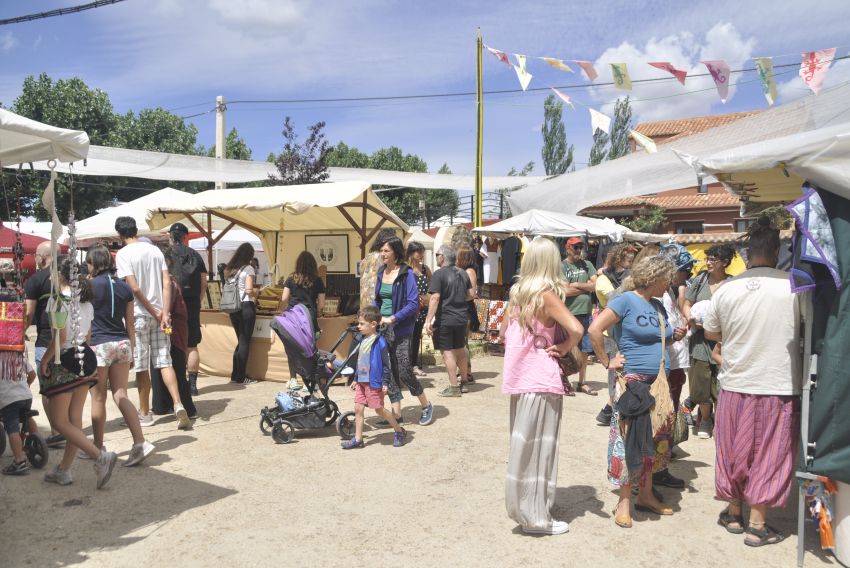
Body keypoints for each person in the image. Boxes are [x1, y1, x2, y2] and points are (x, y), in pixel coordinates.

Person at [703, 219, 801, 547]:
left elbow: (712, 333)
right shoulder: (795, 286)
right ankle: (757, 525)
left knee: (733, 449)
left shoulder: (726, 290)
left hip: (735, 381)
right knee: (770, 453)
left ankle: (733, 513)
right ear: (778, 250)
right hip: (777, 384)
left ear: (746, 252)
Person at [588, 256, 687, 528]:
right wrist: (607, 362)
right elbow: (595, 329)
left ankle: (645, 495)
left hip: (659, 384)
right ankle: (623, 503)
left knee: (655, 443)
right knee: (627, 442)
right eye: (665, 279)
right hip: (632, 384)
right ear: (653, 277)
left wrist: (676, 335)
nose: (668, 285)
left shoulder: (657, 306)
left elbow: (660, 340)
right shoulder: (625, 301)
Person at [500, 237, 584, 535]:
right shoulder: (547, 295)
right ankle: (536, 516)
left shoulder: (517, 292)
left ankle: (526, 508)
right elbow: (577, 328)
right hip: (542, 377)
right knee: (540, 448)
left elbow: (503, 334)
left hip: (520, 377)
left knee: (523, 446)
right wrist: (562, 346)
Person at [39, 258, 118, 488]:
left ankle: (99, 456)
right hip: (84, 359)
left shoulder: (57, 300)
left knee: (60, 422)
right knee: (73, 421)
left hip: (64, 361)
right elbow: (87, 336)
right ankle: (64, 470)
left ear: (61, 275)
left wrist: (45, 360)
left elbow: (60, 337)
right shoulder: (85, 302)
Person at [114, 216, 190, 429]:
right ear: (136, 230)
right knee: (164, 362)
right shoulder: (155, 250)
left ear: (120, 235)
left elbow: (134, 289)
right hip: (160, 314)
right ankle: (177, 404)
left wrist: (156, 313)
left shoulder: (123, 254)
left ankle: (145, 413)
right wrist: (164, 312)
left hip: (138, 315)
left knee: (141, 366)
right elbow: (167, 282)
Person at [86, 245, 155, 466]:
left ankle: (97, 448)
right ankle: (140, 441)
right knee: (121, 394)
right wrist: (132, 348)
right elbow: (130, 322)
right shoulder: (124, 287)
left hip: (99, 344)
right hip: (122, 342)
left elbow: (86, 322)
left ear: (94, 263)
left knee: (98, 397)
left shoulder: (90, 286)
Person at [374, 236, 434, 426]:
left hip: (400, 328)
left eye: (386, 251)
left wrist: (394, 318)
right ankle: (397, 414)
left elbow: (413, 303)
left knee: (405, 371)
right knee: (388, 371)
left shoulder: (406, 273)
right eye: (381, 250)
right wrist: (373, 315)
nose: (382, 254)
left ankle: (426, 405)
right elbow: (378, 300)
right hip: (382, 328)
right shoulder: (381, 272)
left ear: (396, 252)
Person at [684, 243, 735, 439]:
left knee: (722, 383)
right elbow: (687, 304)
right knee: (701, 383)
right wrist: (690, 318)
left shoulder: (732, 284)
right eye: (708, 259)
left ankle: (722, 420)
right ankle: (705, 419)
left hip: (723, 341)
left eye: (713, 259)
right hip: (699, 341)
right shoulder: (700, 280)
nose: (708, 263)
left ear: (725, 262)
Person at [338, 306, 407, 449]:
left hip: (374, 383)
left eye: (362, 323)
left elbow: (386, 365)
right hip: (362, 382)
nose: (359, 326)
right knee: (358, 409)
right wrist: (356, 378)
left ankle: (399, 430)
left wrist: (385, 382)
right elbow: (361, 361)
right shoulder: (363, 340)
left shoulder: (380, 342)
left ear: (373, 324)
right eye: (359, 323)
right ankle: (358, 439)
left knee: (379, 410)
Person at [23, 241, 63, 447]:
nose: (35, 259)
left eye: (36, 255)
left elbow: (28, 313)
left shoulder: (35, 280)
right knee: (67, 387)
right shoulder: (71, 278)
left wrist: (20, 332)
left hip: (45, 340)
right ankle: (67, 428)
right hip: (70, 339)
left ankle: (57, 430)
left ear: (43, 257)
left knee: (48, 389)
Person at [151, 247, 197, 420]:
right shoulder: (169, 282)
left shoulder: (169, 283)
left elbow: (166, 311)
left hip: (172, 330)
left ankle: (181, 406)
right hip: (172, 329)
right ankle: (164, 405)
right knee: (165, 367)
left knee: (174, 367)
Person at [593, 243, 635, 426]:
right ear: (618, 257)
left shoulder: (626, 276)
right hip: (610, 332)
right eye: (628, 257)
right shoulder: (604, 280)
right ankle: (612, 411)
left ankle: (608, 411)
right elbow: (615, 299)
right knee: (614, 373)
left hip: (624, 329)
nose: (631, 260)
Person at [425, 245, 473, 397]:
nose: (436, 257)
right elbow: (471, 294)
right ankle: (464, 382)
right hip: (461, 318)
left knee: (447, 353)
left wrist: (428, 320)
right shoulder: (463, 273)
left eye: (437, 254)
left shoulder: (439, 274)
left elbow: (435, 297)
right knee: (460, 349)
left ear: (442, 257)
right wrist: (458, 300)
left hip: (446, 318)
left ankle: (453, 387)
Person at [167, 222, 208, 397]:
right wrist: (197, 301)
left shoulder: (166, 255)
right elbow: (204, 283)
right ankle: (192, 385)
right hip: (192, 304)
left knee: (171, 344)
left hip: (172, 303)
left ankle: (177, 382)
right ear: (185, 237)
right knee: (192, 344)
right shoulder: (196, 256)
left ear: (170, 236)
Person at [561, 236, 598, 396]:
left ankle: (582, 382)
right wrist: (586, 287)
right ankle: (565, 381)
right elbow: (565, 290)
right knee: (567, 349)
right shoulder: (561, 266)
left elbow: (596, 285)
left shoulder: (587, 264)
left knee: (584, 350)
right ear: (567, 248)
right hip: (568, 313)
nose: (578, 251)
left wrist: (577, 285)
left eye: (580, 248)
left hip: (585, 312)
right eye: (575, 247)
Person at [224, 242, 258, 385]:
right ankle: (241, 376)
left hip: (233, 307)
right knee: (244, 342)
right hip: (246, 305)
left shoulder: (230, 269)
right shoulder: (249, 268)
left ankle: (235, 374)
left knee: (240, 340)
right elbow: (249, 290)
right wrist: (258, 291)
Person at [1, 352, 37, 475]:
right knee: (28, 417)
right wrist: (26, 385)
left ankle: (19, 461)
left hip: (9, 399)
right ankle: (36, 443)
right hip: (26, 396)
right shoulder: (18, 355)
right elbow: (32, 374)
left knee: (12, 429)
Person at [280, 251, 326, 337]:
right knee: (308, 346)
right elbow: (321, 304)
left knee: (292, 344)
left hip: (292, 315)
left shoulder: (291, 278)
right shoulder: (318, 280)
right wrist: (319, 313)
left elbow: (284, 299)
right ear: (313, 265)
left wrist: (285, 309)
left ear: (298, 264)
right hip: (309, 317)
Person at [406, 241, 431, 378]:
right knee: (406, 337)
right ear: (411, 253)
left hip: (421, 309)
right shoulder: (405, 269)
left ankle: (414, 364)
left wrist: (426, 299)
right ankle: (406, 365)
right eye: (418, 252)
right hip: (408, 308)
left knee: (416, 337)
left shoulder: (425, 269)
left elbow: (432, 289)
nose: (421, 255)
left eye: (422, 252)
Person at [456, 246, 479, 390]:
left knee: (463, 342)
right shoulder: (464, 271)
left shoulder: (469, 272)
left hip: (466, 310)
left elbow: (471, 294)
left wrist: (455, 297)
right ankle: (465, 370)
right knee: (462, 342)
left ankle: (467, 372)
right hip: (462, 310)